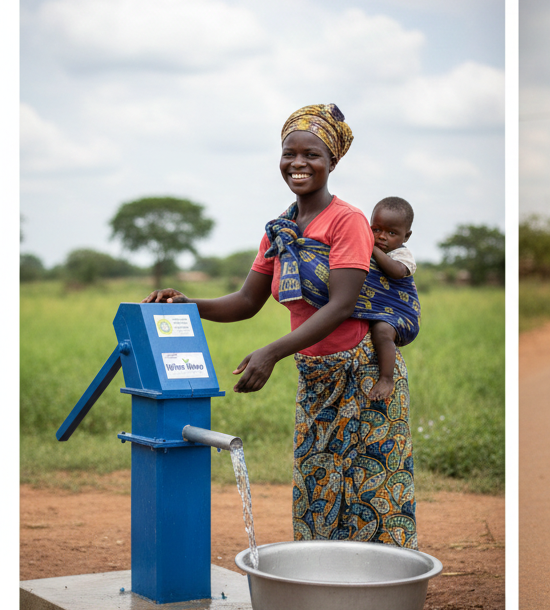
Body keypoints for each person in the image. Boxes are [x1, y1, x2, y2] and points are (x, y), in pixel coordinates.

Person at [143, 103, 416, 548]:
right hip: (315, 377)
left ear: (332, 163)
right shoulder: (279, 230)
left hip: (364, 375)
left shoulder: (347, 222)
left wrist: (271, 351)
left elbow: (343, 304)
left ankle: (378, 600)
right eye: (290, 153)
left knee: (372, 495)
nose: (298, 164)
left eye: (312, 155)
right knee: (317, 489)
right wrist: (185, 304)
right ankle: (323, 595)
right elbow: (247, 301)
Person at [352, 196, 421, 402]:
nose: (382, 237)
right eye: (376, 230)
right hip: (377, 311)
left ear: (406, 236)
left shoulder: (402, 254)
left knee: (382, 330)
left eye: (392, 233)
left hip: (400, 314)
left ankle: (386, 378)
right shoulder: (365, 250)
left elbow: (397, 272)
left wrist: (372, 249)